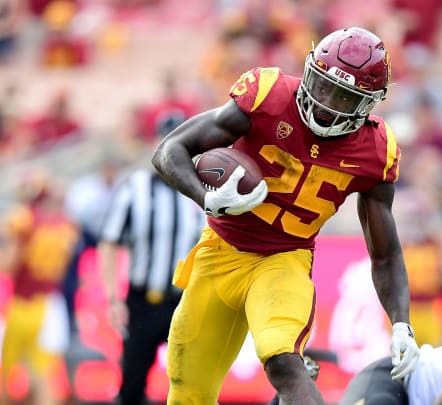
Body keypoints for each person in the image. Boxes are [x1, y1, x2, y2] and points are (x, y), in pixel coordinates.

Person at [151, 26, 420, 405]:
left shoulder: (374, 150)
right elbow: (169, 150)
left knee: (283, 360)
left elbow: (386, 252)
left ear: (367, 103)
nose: (326, 102)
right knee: (186, 388)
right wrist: (205, 197)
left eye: (343, 96)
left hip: (284, 259)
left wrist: (401, 323)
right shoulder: (268, 97)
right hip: (220, 250)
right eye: (323, 85)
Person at [98, 167, 204, 405]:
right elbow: (109, 243)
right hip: (144, 300)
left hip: (185, 302)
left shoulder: (200, 186)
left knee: (194, 383)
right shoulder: (135, 187)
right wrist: (113, 299)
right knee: (132, 384)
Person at [0, 169, 79, 405]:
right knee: (42, 374)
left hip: (26, 304)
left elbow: (4, 265)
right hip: (52, 302)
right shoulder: (66, 225)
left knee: (16, 377)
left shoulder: (23, 220)